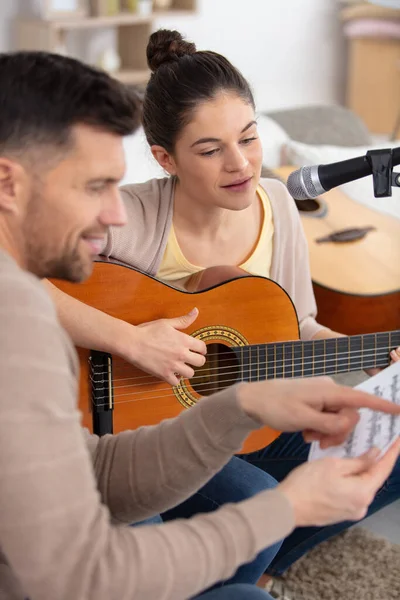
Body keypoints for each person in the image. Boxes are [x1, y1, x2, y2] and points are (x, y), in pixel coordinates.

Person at [3, 50, 400, 600]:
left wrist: (360, 354)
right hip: (130, 413)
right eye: (211, 149)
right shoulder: (78, 261)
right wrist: (132, 339)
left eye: (249, 138)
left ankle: (265, 560)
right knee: (246, 504)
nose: (240, 163)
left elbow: (294, 322)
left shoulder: (278, 203)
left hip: (235, 407)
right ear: (166, 158)